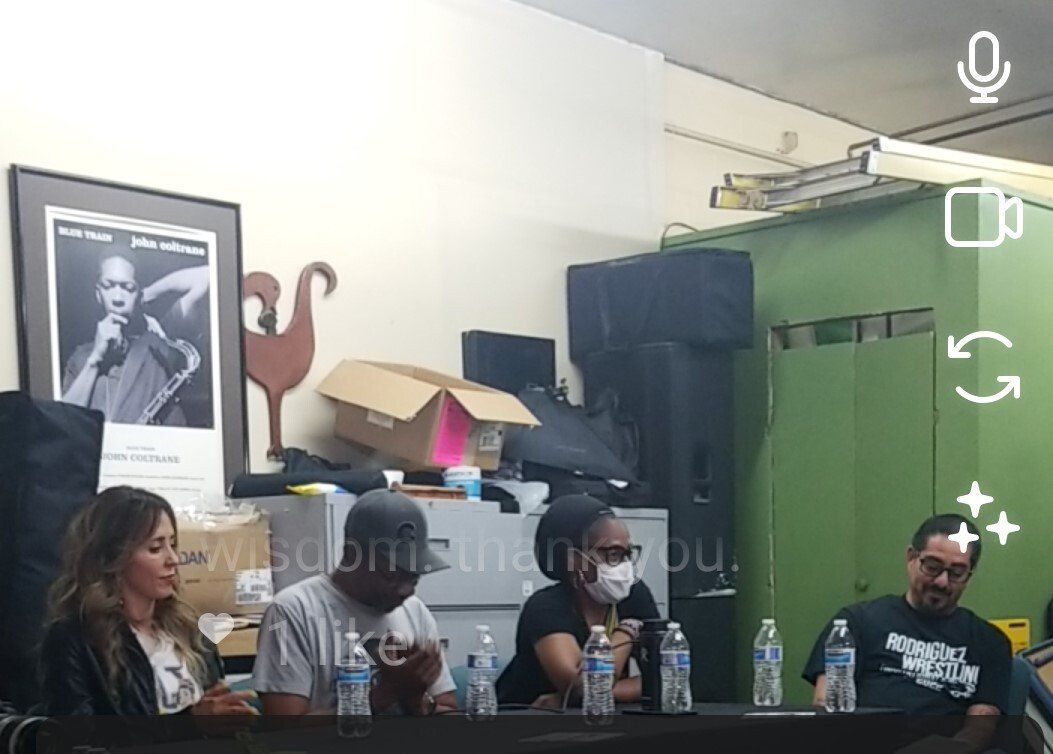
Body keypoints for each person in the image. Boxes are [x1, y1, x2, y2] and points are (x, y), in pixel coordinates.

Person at [40, 486, 256, 717]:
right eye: (155, 548)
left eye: (173, 544)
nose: (173, 559)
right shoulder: (75, 639)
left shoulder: (190, 629)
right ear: (114, 558)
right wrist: (191, 724)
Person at [803, 514, 1011, 748]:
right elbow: (826, 703)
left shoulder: (989, 641)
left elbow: (982, 725)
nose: (942, 582)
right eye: (932, 567)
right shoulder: (856, 623)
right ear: (911, 557)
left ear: (969, 575)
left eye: (956, 573)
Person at [253, 489, 458, 715]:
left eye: (414, 578)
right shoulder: (293, 611)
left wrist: (416, 700)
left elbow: (448, 709)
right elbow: (284, 726)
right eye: (391, 575)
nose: (406, 590)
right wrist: (384, 695)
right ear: (352, 556)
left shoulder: (415, 612)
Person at [496, 494, 659, 708]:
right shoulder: (545, 607)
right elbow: (583, 688)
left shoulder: (633, 594)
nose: (625, 566)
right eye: (613, 554)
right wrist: (626, 632)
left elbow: (671, 675)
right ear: (575, 559)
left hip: (600, 718)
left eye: (628, 554)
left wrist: (592, 694)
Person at [62, 254, 203, 426]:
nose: (117, 298)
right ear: (98, 294)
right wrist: (95, 360)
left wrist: (146, 295)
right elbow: (63, 426)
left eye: (128, 288)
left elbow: (206, 277)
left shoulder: (159, 343)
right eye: (108, 286)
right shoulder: (81, 357)